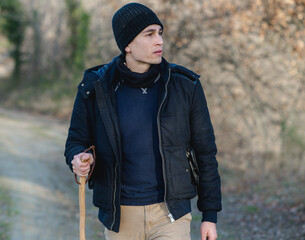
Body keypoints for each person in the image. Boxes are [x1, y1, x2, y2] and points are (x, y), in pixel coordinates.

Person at [65, 2, 221, 240]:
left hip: (171, 215)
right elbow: (76, 141)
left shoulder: (185, 85)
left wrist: (209, 215)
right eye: (149, 34)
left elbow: (205, 152)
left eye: (159, 33)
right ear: (127, 44)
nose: (159, 41)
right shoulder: (96, 87)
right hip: (121, 218)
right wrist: (78, 158)